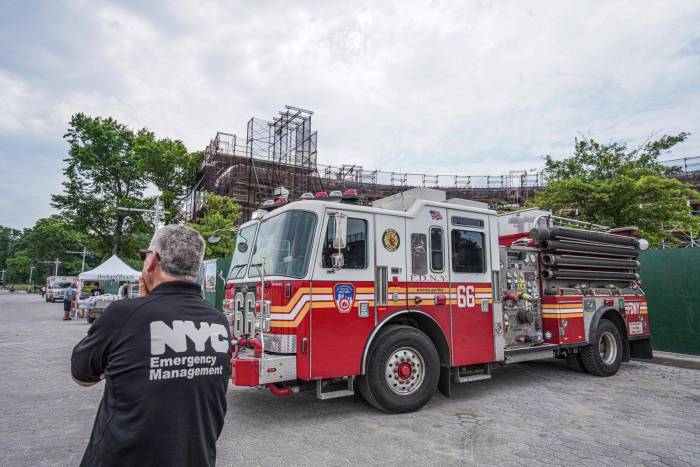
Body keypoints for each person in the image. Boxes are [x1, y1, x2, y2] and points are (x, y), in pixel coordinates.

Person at [71, 225, 231, 467]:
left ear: (152, 261)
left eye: (144, 255)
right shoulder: (218, 321)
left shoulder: (124, 315)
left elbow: (82, 376)